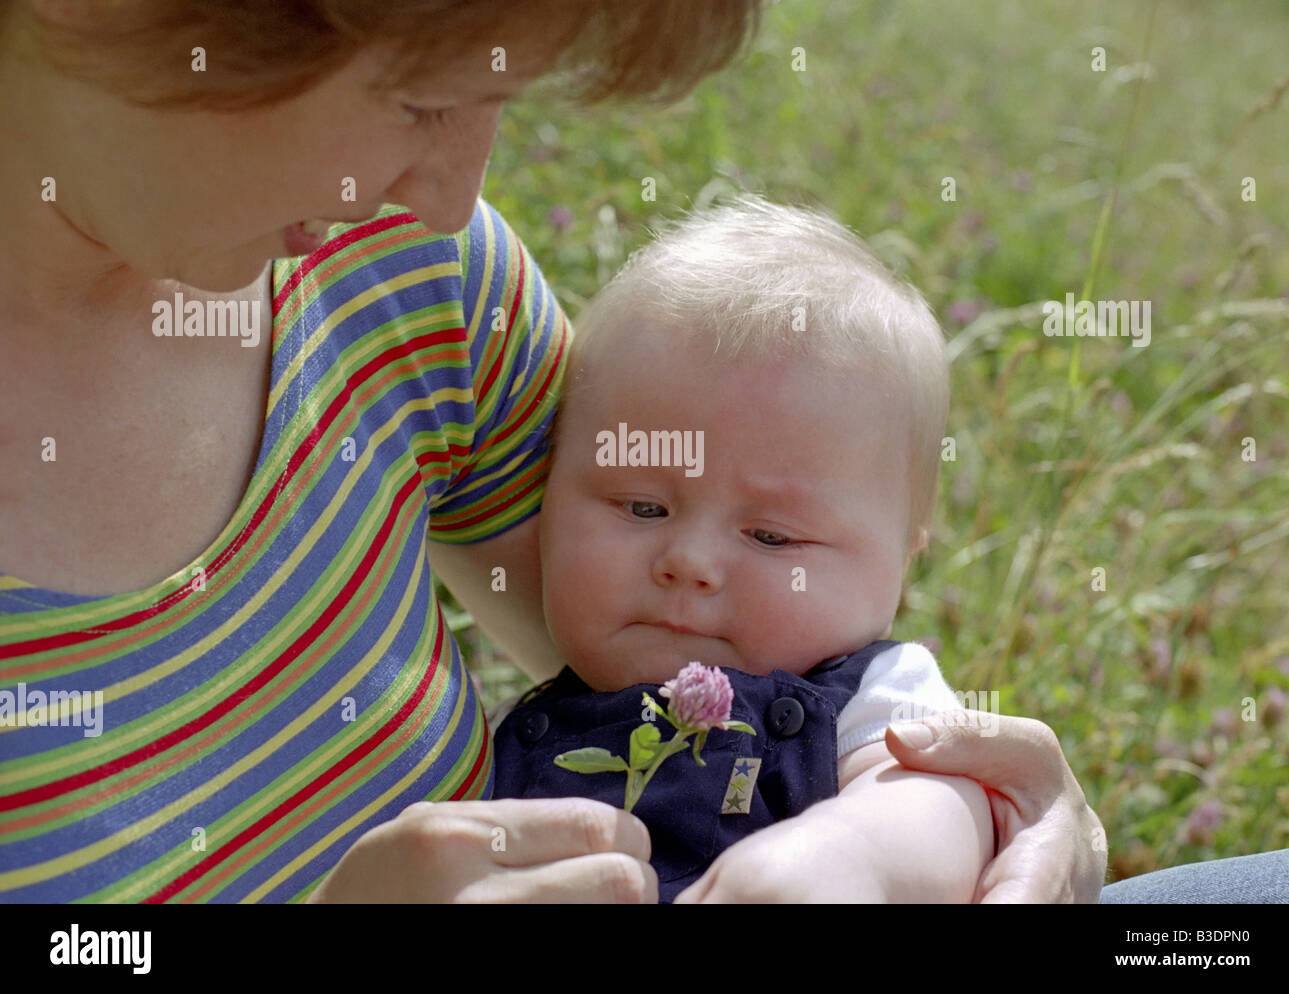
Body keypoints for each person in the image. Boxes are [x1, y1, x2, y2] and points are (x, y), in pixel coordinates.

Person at [0, 0, 1104, 903]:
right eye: (418, 101)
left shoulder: (394, 274)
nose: (450, 198)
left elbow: (764, 646)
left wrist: (968, 805)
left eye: (495, 103)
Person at [492, 196, 997, 902]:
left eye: (770, 536)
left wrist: (854, 859)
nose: (689, 563)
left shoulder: (872, 700)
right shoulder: (499, 744)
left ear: (902, 561)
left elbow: (940, 801)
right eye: (643, 506)